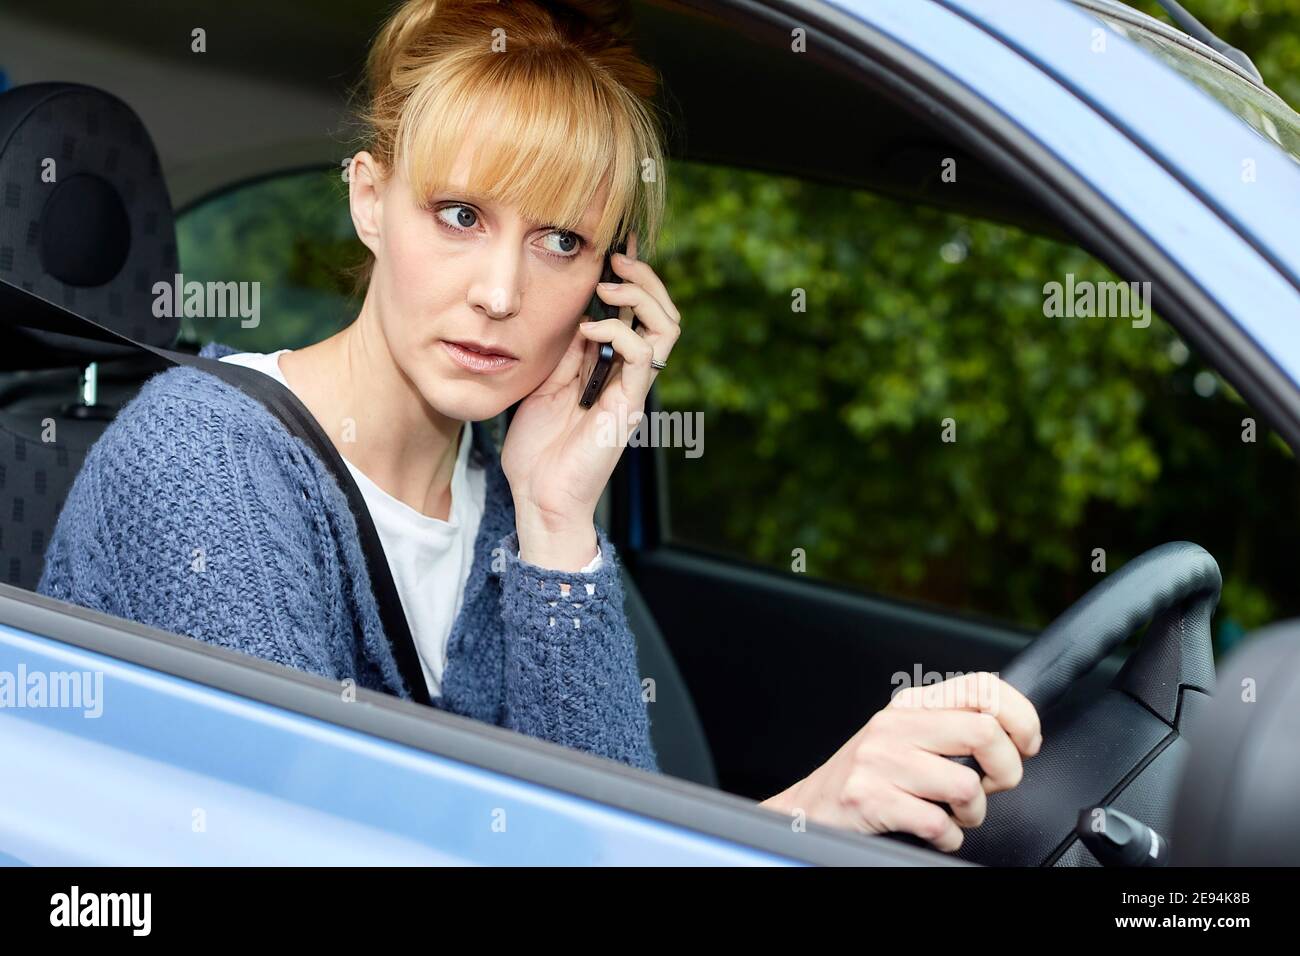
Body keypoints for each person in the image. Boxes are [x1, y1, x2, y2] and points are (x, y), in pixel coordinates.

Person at [38, 0, 1039, 852]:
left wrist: (559, 515)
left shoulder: (517, 497)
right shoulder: (205, 458)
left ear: (610, 281)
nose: (502, 292)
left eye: (561, 241)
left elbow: (602, 830)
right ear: (371, 200)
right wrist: (803, 815)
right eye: (461, 215)